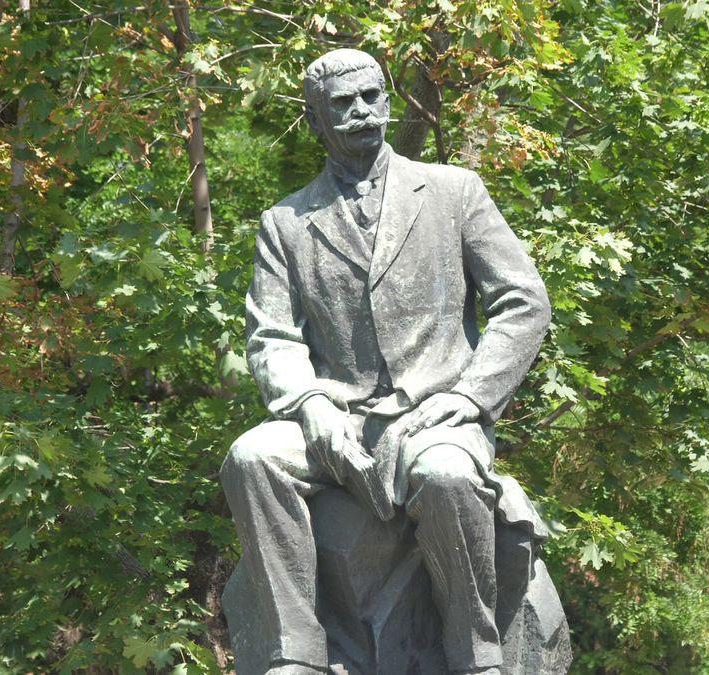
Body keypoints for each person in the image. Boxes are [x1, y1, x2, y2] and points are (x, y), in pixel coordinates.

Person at [220, 48, 552, 675]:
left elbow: (523, 301)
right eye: (341, 105)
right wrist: (310, 404)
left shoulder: (455, 192)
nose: (361, 112)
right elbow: (272, 337)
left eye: (371, 97)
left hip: (437, 415)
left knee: (447, 477)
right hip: (337, 416)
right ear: (315, 120)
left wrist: (471, 397)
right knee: (252, 457)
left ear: (387, 100)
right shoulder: (285, 222)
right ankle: (298, 653)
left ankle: (477, 656)